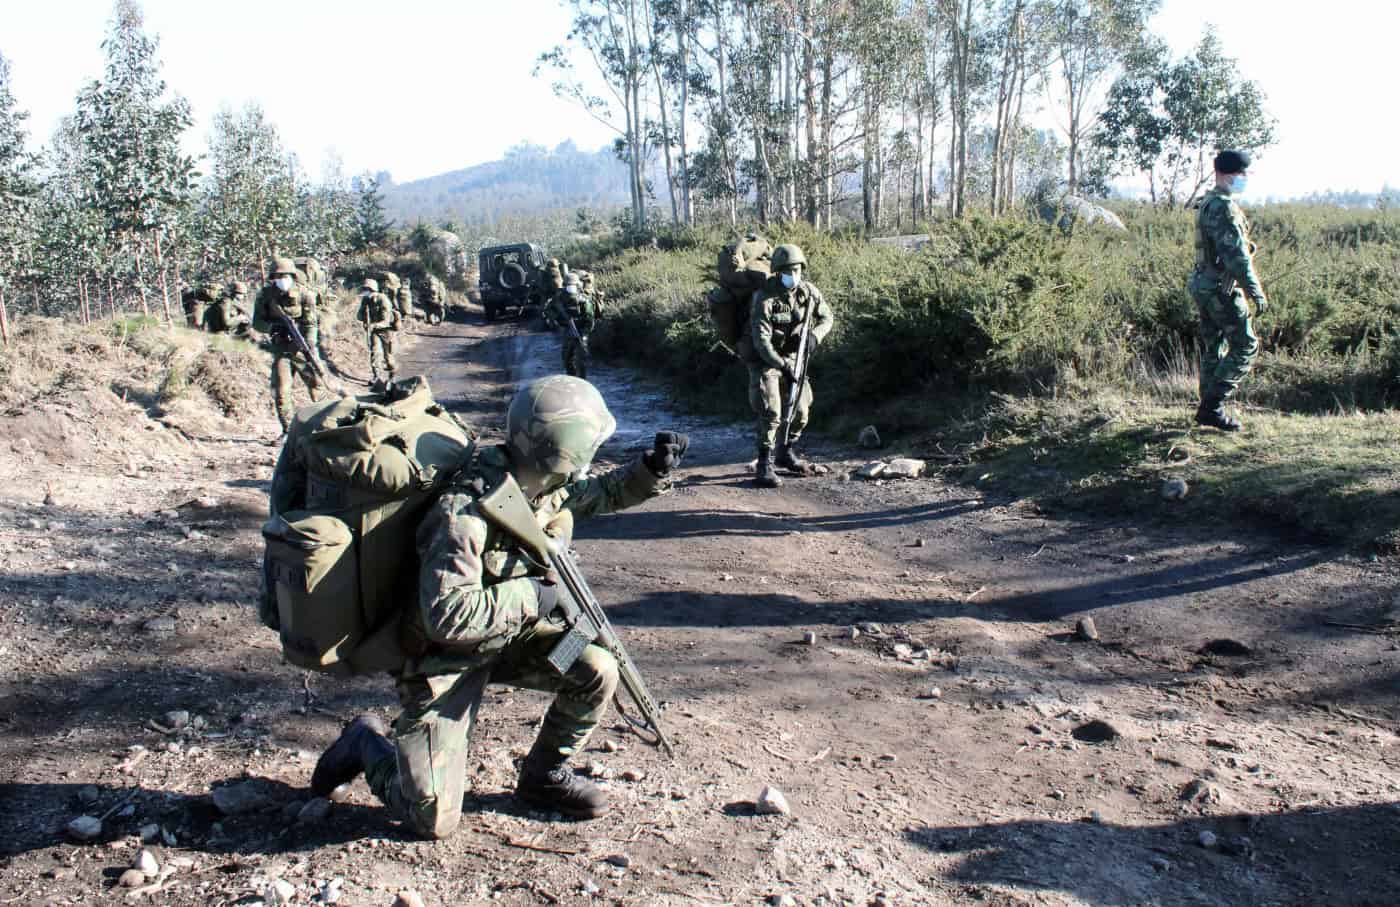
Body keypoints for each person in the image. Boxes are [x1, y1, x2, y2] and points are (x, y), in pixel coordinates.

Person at [309, 376, 690, 837]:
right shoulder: (463, 514)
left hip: (510, 638)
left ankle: (543, 777)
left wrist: (649, 471)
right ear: (562, 452)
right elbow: (448, 616)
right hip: (443, 658)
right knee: (429, 819)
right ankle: (365, 744)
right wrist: (534, 595)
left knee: (595, 667)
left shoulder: (540, 482)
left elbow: (599, 495)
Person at [740, 243, 833, 488]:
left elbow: (827, 317)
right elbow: (761, 341)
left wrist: (815, 336)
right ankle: (764, 463)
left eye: (798, 270)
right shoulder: (764, 298)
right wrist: (781, 366)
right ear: (778, 271)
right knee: (771, 412)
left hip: (795, 357)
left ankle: (785, 451)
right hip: (766, 361)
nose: (794, 276)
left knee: (801, 411)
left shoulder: (808, 292)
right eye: (788, 271)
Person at [1189, 149, 1267, 432]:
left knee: (1215, 346)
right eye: (1242, 174)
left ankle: (1206, 407)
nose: (1244, 179)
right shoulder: (1223, 206)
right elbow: (1236, 257)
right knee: (1246, 345)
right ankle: (1212, 407)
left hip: (1203, 283)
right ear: (1228, 174)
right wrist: (1255, 290)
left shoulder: (1207, 202)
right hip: (1220, 288)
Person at [252, 257, 321, 432]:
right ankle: (288, 431)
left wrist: (310, 343)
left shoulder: (305, 295)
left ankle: (324, 425)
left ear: (292, 275)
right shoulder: (266, 295)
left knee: (316, 385)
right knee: (281, 391)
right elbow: (257, 323)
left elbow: (311, 324)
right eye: (277, 276)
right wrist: (275, 326)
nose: (281, 279)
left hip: (301, 347)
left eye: (284, 275)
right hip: (281, 348)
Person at [543, 272, 599, 378]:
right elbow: (547, 309)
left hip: (581, 331)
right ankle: (572, 377)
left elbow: (590, 318)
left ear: (577, 285)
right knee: (567, 358)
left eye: (572, 285)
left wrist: (585, 334)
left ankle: (582, 380)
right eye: (568, 285)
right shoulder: (559, 297)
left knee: (581, 360)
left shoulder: (583, 298)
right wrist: (557, 318)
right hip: (568, 330)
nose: (570, 288)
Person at [355, 277, 399, 385]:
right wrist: (364, 320)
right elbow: (359, 316)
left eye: (367, 289)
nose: (365, 291)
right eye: (364, 289)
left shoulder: (383, 300)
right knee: (374, 353)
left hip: (387, 331)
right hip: (374, 331)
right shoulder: (366, 300)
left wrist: (373, 325)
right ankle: (376, 376)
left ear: (373, 289)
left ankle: (392, 375)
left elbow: (386, 321)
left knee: (388, 357)